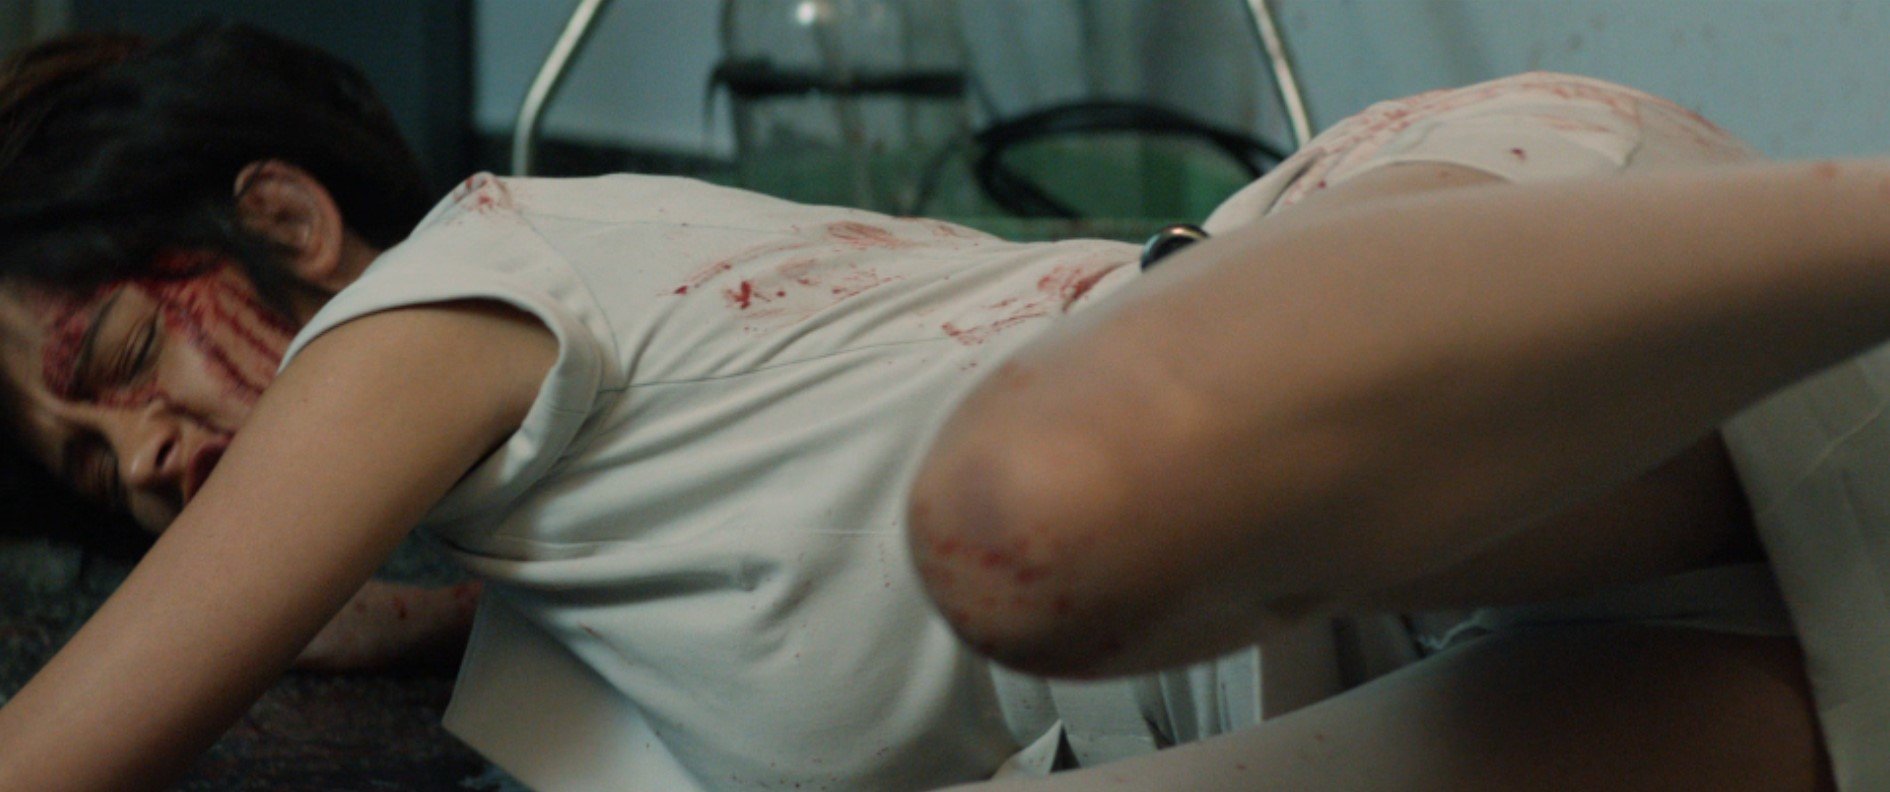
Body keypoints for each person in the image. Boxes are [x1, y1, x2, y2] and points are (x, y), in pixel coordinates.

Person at [0, 21, 1856, 792]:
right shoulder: (536, 555)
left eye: (118, 359)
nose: (142, 457)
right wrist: (408, 622)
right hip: (1490, 640)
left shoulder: (434, 298)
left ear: (283, 218)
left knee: (1037, 514)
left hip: (1407, 314)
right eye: (87, 466)